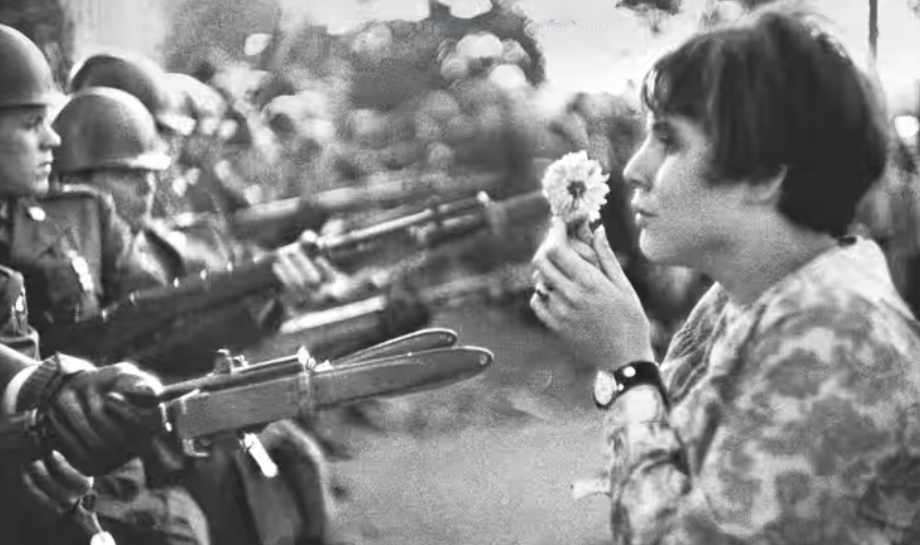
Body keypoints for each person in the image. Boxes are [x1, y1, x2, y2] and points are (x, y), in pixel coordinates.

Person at [530, 4, 920, 544]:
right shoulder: (745, 296)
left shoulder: (839, 332)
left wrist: (627, 367)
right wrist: (618, 349)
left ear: (762, 174)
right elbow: (673, 461)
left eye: (669, 141)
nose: (635, 169)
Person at [0, 23, 330, 545]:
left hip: (91, 434)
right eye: (30, 123)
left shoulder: (76, 216)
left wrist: (263, 291)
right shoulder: (51, 225)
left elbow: (156, 310)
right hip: (55, 453)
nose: (52, 140)